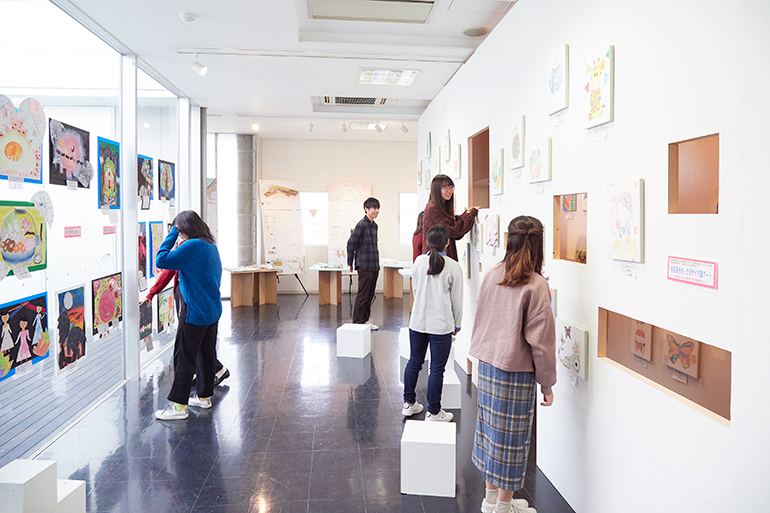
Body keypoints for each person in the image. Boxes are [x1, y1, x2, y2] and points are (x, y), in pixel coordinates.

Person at [468, 216, 556, 513]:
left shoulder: (493, 273)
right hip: (516, 370)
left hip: (488, 365)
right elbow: (541, 343)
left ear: (510, 239)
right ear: (538, 243)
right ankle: (503, 508)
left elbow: (481, 318)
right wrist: (547, 383)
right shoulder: (536, 284)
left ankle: (490, 500)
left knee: (491, 433)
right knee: (511, 439)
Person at [154, 211, 222, 421]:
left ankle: (179, 406)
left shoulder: (192, 246)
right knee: (206, 355)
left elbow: (161, 259)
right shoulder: (211, 246)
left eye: (178, 229)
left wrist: (172, 233)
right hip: (212, 310)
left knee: (185, 358)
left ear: (183, 229)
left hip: (194, 312)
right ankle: (204, 397)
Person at [143, 248, 229, 389]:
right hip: (193, 297)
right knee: (196, 340)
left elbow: (166, 268)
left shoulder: (189, 246)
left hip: (187, 296)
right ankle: (202, 377)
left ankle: (208, 374)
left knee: (190, 339)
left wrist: (152, 292)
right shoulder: (205, 246)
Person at [402, 224, 464, 422]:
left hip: (418, 322)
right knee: (437, 369)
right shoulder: (453, 266)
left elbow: (416, 289)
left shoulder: (419, 262)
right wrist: (457, 325)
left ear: (427, 242)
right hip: (442, 325)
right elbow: (457, 300)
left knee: (414, 362)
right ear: (448, 242)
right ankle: (434, 412)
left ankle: (409, 404)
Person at [421, 174, 478, 261]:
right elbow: (454, 229)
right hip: (436, 260)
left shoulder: (441, 207)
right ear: (436, 189)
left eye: (451, 187)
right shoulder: (433, 209)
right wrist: (470, 214)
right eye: (445, 187)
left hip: (439, 258)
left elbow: (452, 227)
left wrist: (466, 214)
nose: (449, 191)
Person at [347, 197, 380, 330]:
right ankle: (357, 323)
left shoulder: (375, 226)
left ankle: (365, 320)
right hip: (364, 265)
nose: (376, 211)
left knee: (370, 294)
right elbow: (351, 244)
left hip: (374, 265)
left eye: (378, 208)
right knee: (363, 294)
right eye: (373, 208)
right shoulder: (361, 224)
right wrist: (350, 262)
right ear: (366, 209)